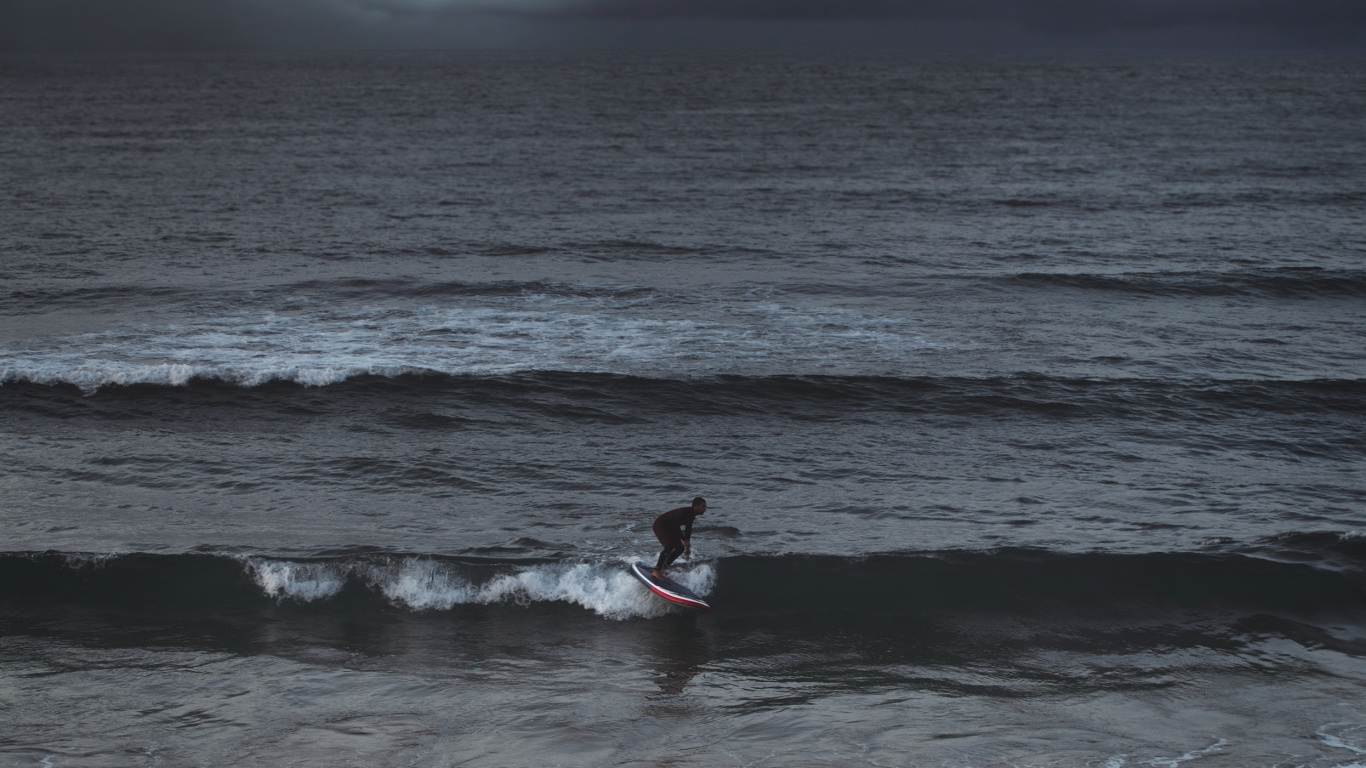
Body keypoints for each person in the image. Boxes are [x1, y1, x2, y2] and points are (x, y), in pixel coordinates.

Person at [652, 497, 706, 580]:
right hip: (660, 525)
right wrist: (684, 540)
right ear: (696, 506)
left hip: (669, 527)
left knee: (680, 548)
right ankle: (656, 571)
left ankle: (664, 566)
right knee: (669, 546)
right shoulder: (686, 512)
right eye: (703, 506)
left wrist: (687, 546)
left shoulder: (691, 515)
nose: (705, 509)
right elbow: (675, 526)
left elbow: (688, 530)